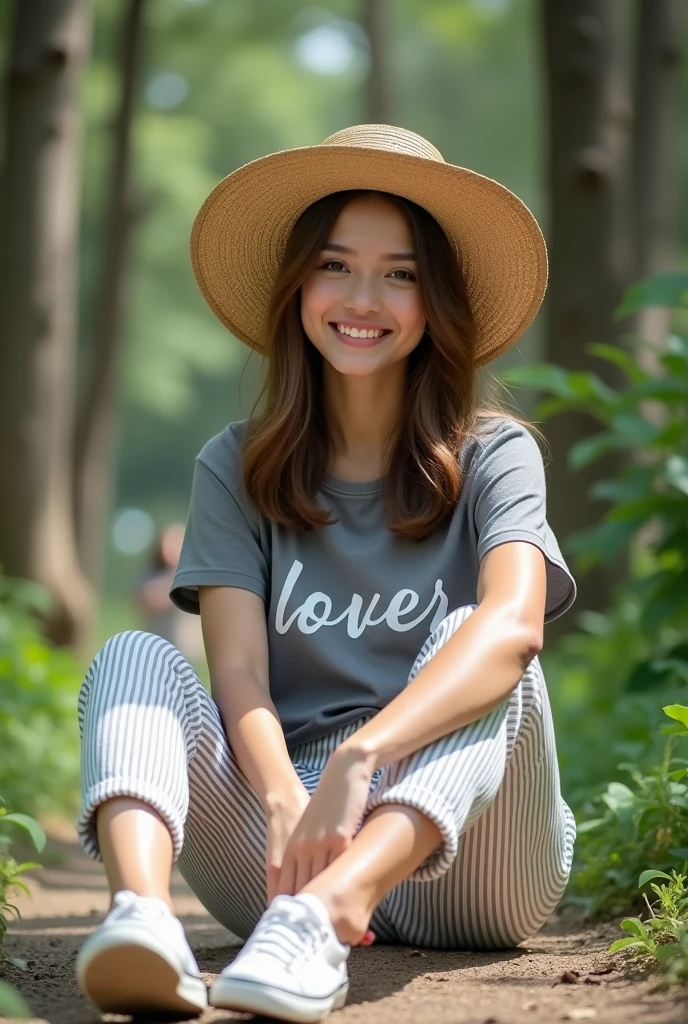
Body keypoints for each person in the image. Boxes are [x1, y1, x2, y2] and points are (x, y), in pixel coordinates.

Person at [74, 124, 577, 1022]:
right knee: (131, 659)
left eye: (402, 273)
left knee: (482, 641)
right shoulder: (234, 465)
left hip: (477, 863)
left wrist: (363, 755)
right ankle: (141, 917)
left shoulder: (497, 454)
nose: (363, 297)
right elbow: (236, 673)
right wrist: (281, 794)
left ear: (437, 302)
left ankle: (331, 915)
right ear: (299, 284)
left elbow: (515, 627)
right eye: (336, 265)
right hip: (287, 845)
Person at [135, 523, 204, 666]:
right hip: (155, 643)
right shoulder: (150, 573)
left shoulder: (193, 574)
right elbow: (148, 599)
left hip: (185, 648)